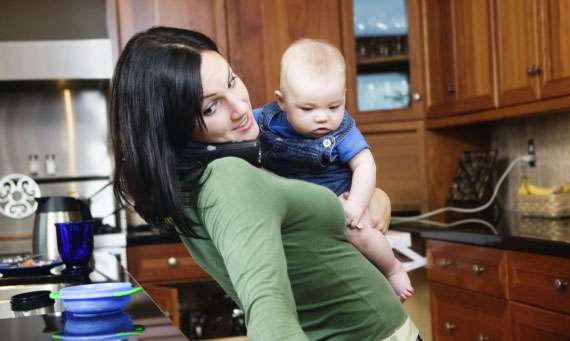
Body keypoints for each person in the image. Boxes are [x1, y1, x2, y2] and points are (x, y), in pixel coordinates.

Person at [110, 26, 420, 340]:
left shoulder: (221, 170)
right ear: (171, 126)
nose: (241, 107)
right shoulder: (227, 178)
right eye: (210, 107)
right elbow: (268, 310)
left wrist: (376, 197)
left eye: (232, 81)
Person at [255, 39, 413, 301]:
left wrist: (356, 205)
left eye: (334, 106)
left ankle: (393, 269)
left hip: (338, 201)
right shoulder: (265, 119)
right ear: (281, 101)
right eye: (307, 108)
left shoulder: (343, 129)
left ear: (344, 98)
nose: (322, 117)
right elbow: (237, 126)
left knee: (359, 232)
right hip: (297, 209)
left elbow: (365, 163)